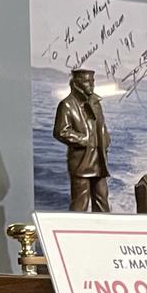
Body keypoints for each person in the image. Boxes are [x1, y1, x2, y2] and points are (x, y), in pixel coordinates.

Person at [53, 69, 111, 212]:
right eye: (87, 81)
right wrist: (83, 140)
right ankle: (75, 227)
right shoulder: (67, 105)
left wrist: (105, 139)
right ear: (77, 83)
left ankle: (103, 226)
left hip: (99, 161)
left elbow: (101, 126)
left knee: (103, 203)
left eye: (93, 81)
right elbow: (60, 131)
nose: (91, 84)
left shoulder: (96, 103)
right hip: (81, 163)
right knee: (80, 204)